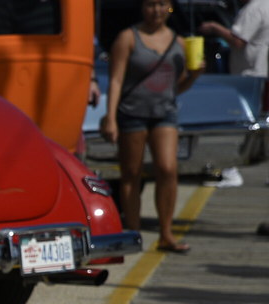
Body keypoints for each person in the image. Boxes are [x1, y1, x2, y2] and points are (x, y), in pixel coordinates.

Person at [101, 0, 202, 253]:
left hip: (164, 113)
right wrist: (110, 117)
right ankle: (134, 232)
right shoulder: (128, 38)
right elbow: (116, 80)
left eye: (161, 4)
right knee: (131, 173)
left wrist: (194, 76)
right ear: (142, 7)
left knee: (168, 169)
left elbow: (176, 86)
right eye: (150, 4)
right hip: (132, 112)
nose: (156, 10)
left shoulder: (179, 42)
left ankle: (166, 233)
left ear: (169, 7)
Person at [200, 0, 269, 188]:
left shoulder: (253, 9)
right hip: (261, 73)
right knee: (261, 125)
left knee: (238, 125)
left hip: (248, 77)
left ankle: (231, 172)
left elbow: (238, 40)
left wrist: (214, 27)